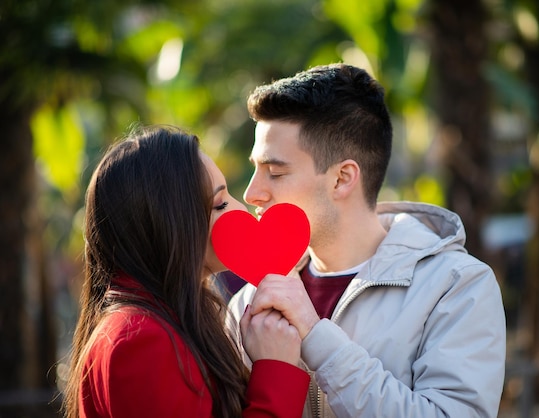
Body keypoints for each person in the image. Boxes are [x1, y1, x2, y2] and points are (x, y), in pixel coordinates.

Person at [227, 63, 506, 417]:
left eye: (275, 172)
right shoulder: (249, 300)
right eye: (255, 169)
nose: (252, 193)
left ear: (343, 178)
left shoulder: (456, 287)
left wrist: (316, 337)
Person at [62, 125, 310, 418]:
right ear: (170, 226)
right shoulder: (141, 340)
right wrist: (274, 368)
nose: (240, 210)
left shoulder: (169, 320)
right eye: (219, 204)